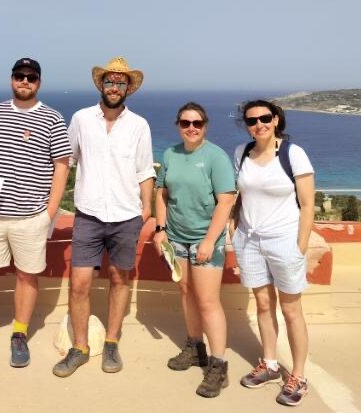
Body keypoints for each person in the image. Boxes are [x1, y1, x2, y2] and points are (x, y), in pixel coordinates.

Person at [0, 58, 71, 368]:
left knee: (27, 277)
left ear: (39, 82)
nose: (25, 81)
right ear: (11, 79)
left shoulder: (52, 119)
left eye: (31, 77)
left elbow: (62, 166)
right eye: (20, 76)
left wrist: (50, 211)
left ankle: (19, 334)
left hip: (32, 216)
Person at [52, 57, 155, 378]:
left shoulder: (139, 125)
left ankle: (111, 341)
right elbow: (67, 159)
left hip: (126, 215)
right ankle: (80, 347)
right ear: (101, 85)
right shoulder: (82, 119)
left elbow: (144, 170)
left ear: (129, 88)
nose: (114, 87)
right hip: (89, 214)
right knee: (80, 283)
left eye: (120, 82)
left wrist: (147, 208)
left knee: (119, 278)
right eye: (109, 81)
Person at [232, 100, 315, 407]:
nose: (259, 124)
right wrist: (234, 232)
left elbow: (308, 204)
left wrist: (300, 246)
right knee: (263, 305)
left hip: (284, 241)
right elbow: (239, 196)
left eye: (265, 118)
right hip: (250, 240)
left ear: (276, 119)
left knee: (291, 310)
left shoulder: (293, 154)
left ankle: (299, 375)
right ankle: (269, 363)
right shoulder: (241, 152)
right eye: (252, 120)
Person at [153, 102, 236, 397]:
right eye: (186, 123)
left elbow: (226, 201)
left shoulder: (216, 157)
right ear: (178, 125)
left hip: (205, 240)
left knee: (208, 301)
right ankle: (194, 346)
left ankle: (219, 364)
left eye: (197, 123)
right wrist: (160, 229)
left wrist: (210, 241)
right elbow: (161, 193)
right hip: (176, 238)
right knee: (186, 292)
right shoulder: (171, 154)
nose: (191, 128)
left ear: (205, 126)